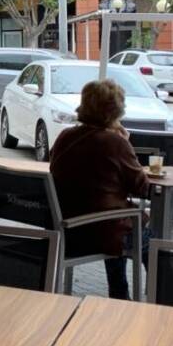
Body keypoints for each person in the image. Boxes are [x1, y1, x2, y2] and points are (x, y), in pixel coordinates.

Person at [50, 79, 150, 300]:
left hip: (71, 228)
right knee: (153, 243)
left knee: (117, 221)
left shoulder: (65, 137)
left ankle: (120, 294)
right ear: (116, 111)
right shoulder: (114, 143)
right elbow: (143, 188)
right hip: (102, 231)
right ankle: (162, 297)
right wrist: (125, 143)